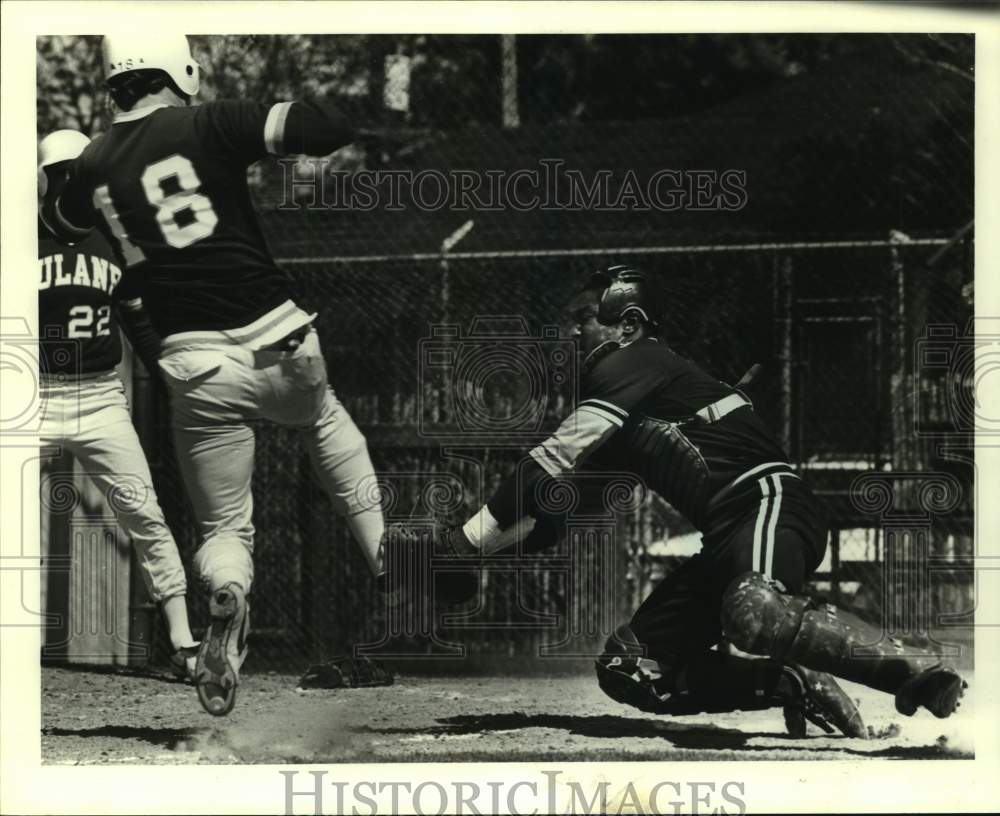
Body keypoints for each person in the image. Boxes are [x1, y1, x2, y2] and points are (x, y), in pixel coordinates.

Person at [394, 264, 968, 737]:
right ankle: (794, 681)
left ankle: (916, 669)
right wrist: (479, 555)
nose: (566, 333)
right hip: (725, 540)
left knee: (754, 611)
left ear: (629, 324)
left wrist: (461, 546)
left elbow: (541, 464)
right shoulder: (629, 401)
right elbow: (551, 511)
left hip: (769, 502)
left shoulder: (631, 362)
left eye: (580, 320)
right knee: (630, 667)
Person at [43, 35, 388, 716]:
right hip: (280, 336)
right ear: (180, 67)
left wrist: (68, 178)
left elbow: (60, 217)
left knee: (225, 528)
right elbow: (324, 128)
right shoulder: (209, 120)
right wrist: (290, 122)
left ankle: (225, 600)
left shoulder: (94, 162)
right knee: (323, 419)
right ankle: (389, 562)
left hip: (194, 364)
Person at [37, 129, 198, 678]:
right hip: (29, 395)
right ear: (50, 180)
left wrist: (170, 373)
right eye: (64, 175)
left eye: (80, 174)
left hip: (100, 396)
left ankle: (184, 642)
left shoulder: (117, 237)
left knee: (143, 510)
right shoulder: (20, 238)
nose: (73, 185)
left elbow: (137, 316)